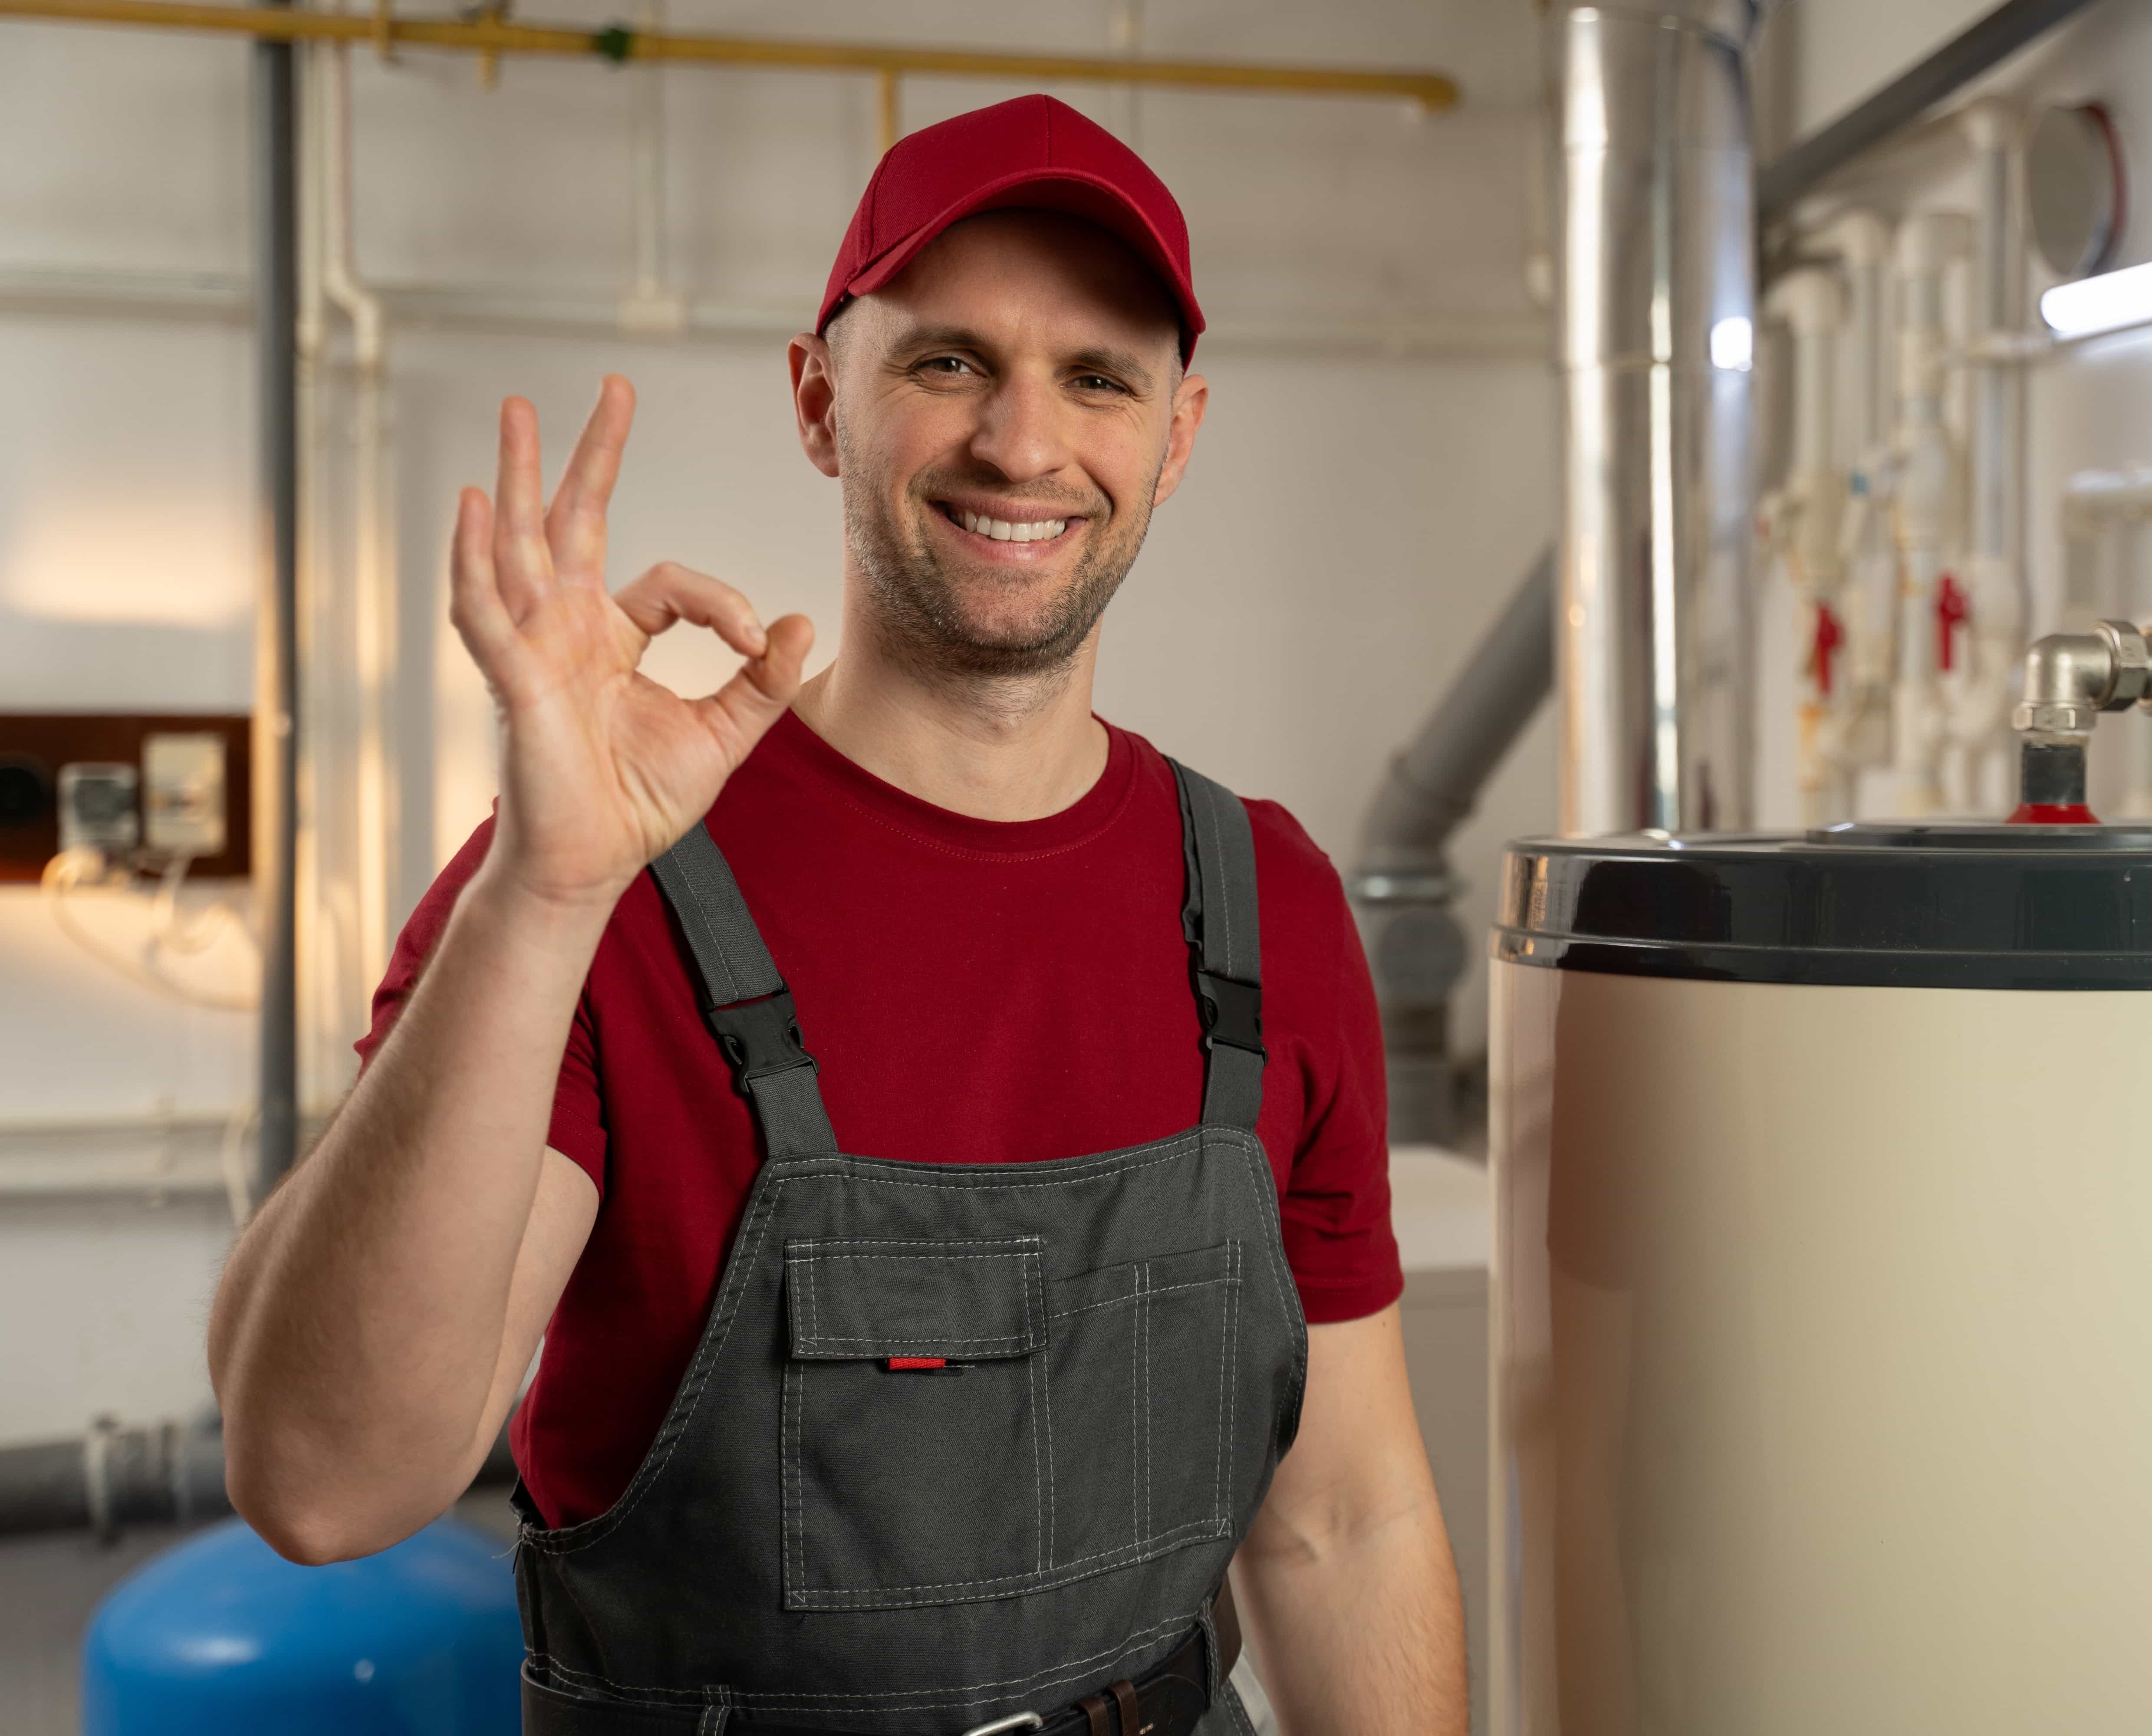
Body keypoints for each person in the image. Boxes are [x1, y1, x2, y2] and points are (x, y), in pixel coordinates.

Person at [207, 94, 1465, 1736]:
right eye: (949, 363)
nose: (1024, 442)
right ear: (822, 400)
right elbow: (320, 1482)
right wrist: (543, 891)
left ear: (1179, 434)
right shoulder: (606, 884)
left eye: (1099, 377)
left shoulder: (1266, 903)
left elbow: (1344, 1524)